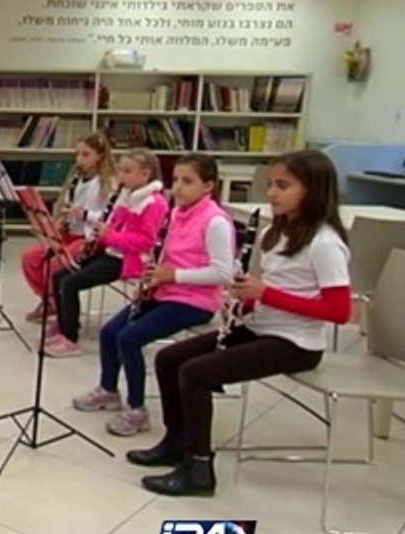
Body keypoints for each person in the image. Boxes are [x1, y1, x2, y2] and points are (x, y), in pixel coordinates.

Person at [128, 150, 351, 496]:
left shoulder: (325, 244)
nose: (272, 193)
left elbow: (339, 312)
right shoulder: (278, 233)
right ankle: (176, 442)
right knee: (168, 359)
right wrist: (246, 300)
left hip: (297, 343)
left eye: (283, 185)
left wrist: (266, 293)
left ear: (314, 190)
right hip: (263, 326)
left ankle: (199, 470)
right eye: (271, 185)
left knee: (196, 372)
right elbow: (273, 287)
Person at [72, 154, 233, 437]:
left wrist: (173, 275)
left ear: (208, 186)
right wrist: (152, 277)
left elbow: (222, 273)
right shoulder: (176, 213)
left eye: (188, 181)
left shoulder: (216, 221)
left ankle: (137, 410)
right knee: (111, 331)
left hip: (195, 301)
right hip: (166, 290)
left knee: (129, 338)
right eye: (176, 181)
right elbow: (164, 254)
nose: (179, 188)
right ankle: (109, 390)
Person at [45, 148, 166, 357]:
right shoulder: (126, 195)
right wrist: (97, 240)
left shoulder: (153, 203)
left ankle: (70, 339)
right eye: (121, 171)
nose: (121, 177)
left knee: (70, 282)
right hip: (112, 252)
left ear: (145, 174)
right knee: (60, 275)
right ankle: (66, 323)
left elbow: (146, 242)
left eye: (127, 171)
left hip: (129, 260)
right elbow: (112, 227)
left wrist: (109, 236)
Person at [20, 132, 115, 321]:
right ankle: (50, 299)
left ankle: (60, 302)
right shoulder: (77, 178)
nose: (79, 159)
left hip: (90, 239)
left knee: (56, 265)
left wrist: (85, 215)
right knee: (30, 258)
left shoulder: (108, 182)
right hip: (70, 232)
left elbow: (112, 218)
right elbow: (66, 206)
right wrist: (61, 220)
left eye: (85, 154)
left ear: (100, 156)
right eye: (77, 154)